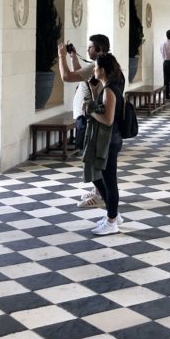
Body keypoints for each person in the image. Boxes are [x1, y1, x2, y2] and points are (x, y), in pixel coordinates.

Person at [59, 35, 112, 209]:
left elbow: (66, 76)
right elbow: (81, 77)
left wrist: (61, 56)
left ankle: (100, 196)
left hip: (87, 117)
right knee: (91, 157)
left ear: (99, 49)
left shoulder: (96, 66)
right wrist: (73, 57)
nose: (87, 50)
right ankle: (97, 191)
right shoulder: (96, 66)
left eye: (90, 47)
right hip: (85, 116)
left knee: (90, 158)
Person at [83, 53, 127, 235]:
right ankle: (113, 213)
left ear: (102, 70)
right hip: (108, 140)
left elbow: (108, 119)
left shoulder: (109, 90)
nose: (94, 70)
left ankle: (112, 221)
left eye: (96, 67)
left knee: (109, 181)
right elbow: (104, 109)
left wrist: (90, 110)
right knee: (98, 175)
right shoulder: (108, 87)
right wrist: (94, 93)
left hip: (109, 140)